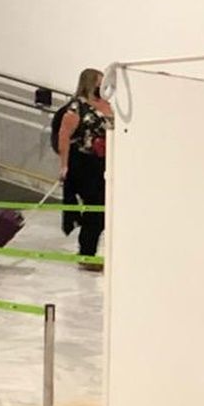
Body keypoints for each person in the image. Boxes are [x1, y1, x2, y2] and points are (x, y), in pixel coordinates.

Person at [57, 68, 113, 270]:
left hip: (106, 163)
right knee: (94, 208)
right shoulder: (77, 107)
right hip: (85, 164)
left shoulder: (108, 105)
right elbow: (64, 136)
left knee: (106, 209)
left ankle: (93, 250)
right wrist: (64, 165)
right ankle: (87, 253)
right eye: (100, 82)